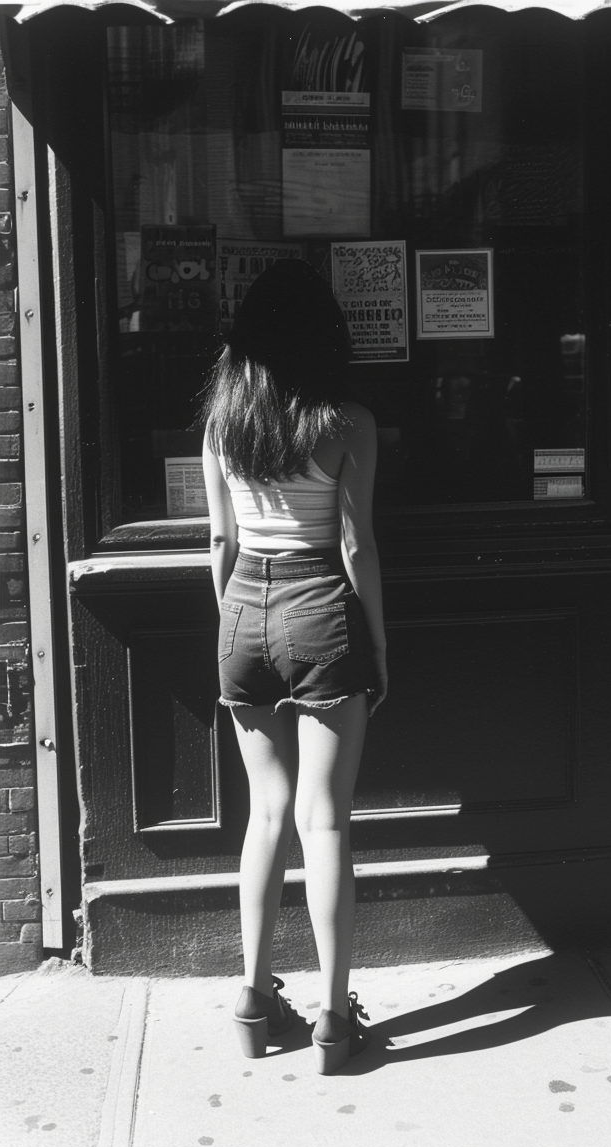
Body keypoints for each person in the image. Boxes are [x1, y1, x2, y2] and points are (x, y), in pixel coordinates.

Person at [200, 259, 387, 1073]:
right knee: (327, 821)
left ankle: (250, 995)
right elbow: (354, 546)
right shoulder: (347, 423)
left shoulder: (221, 426)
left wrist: (236, 623)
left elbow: (219, 543)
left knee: (266, 816)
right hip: (320, 609)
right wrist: (377, 643)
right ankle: (333, 1020)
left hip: (242, 610)